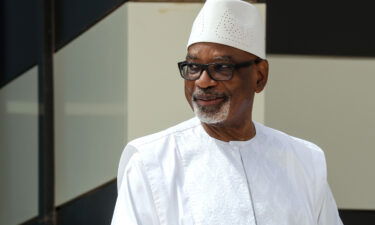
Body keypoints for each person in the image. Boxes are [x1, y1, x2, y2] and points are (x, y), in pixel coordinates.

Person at [111, 0, 343, 224]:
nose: (203, 81)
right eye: (193, 67)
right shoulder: (152, 162)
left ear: (259, 76)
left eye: (221, 68)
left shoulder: (303, 161)